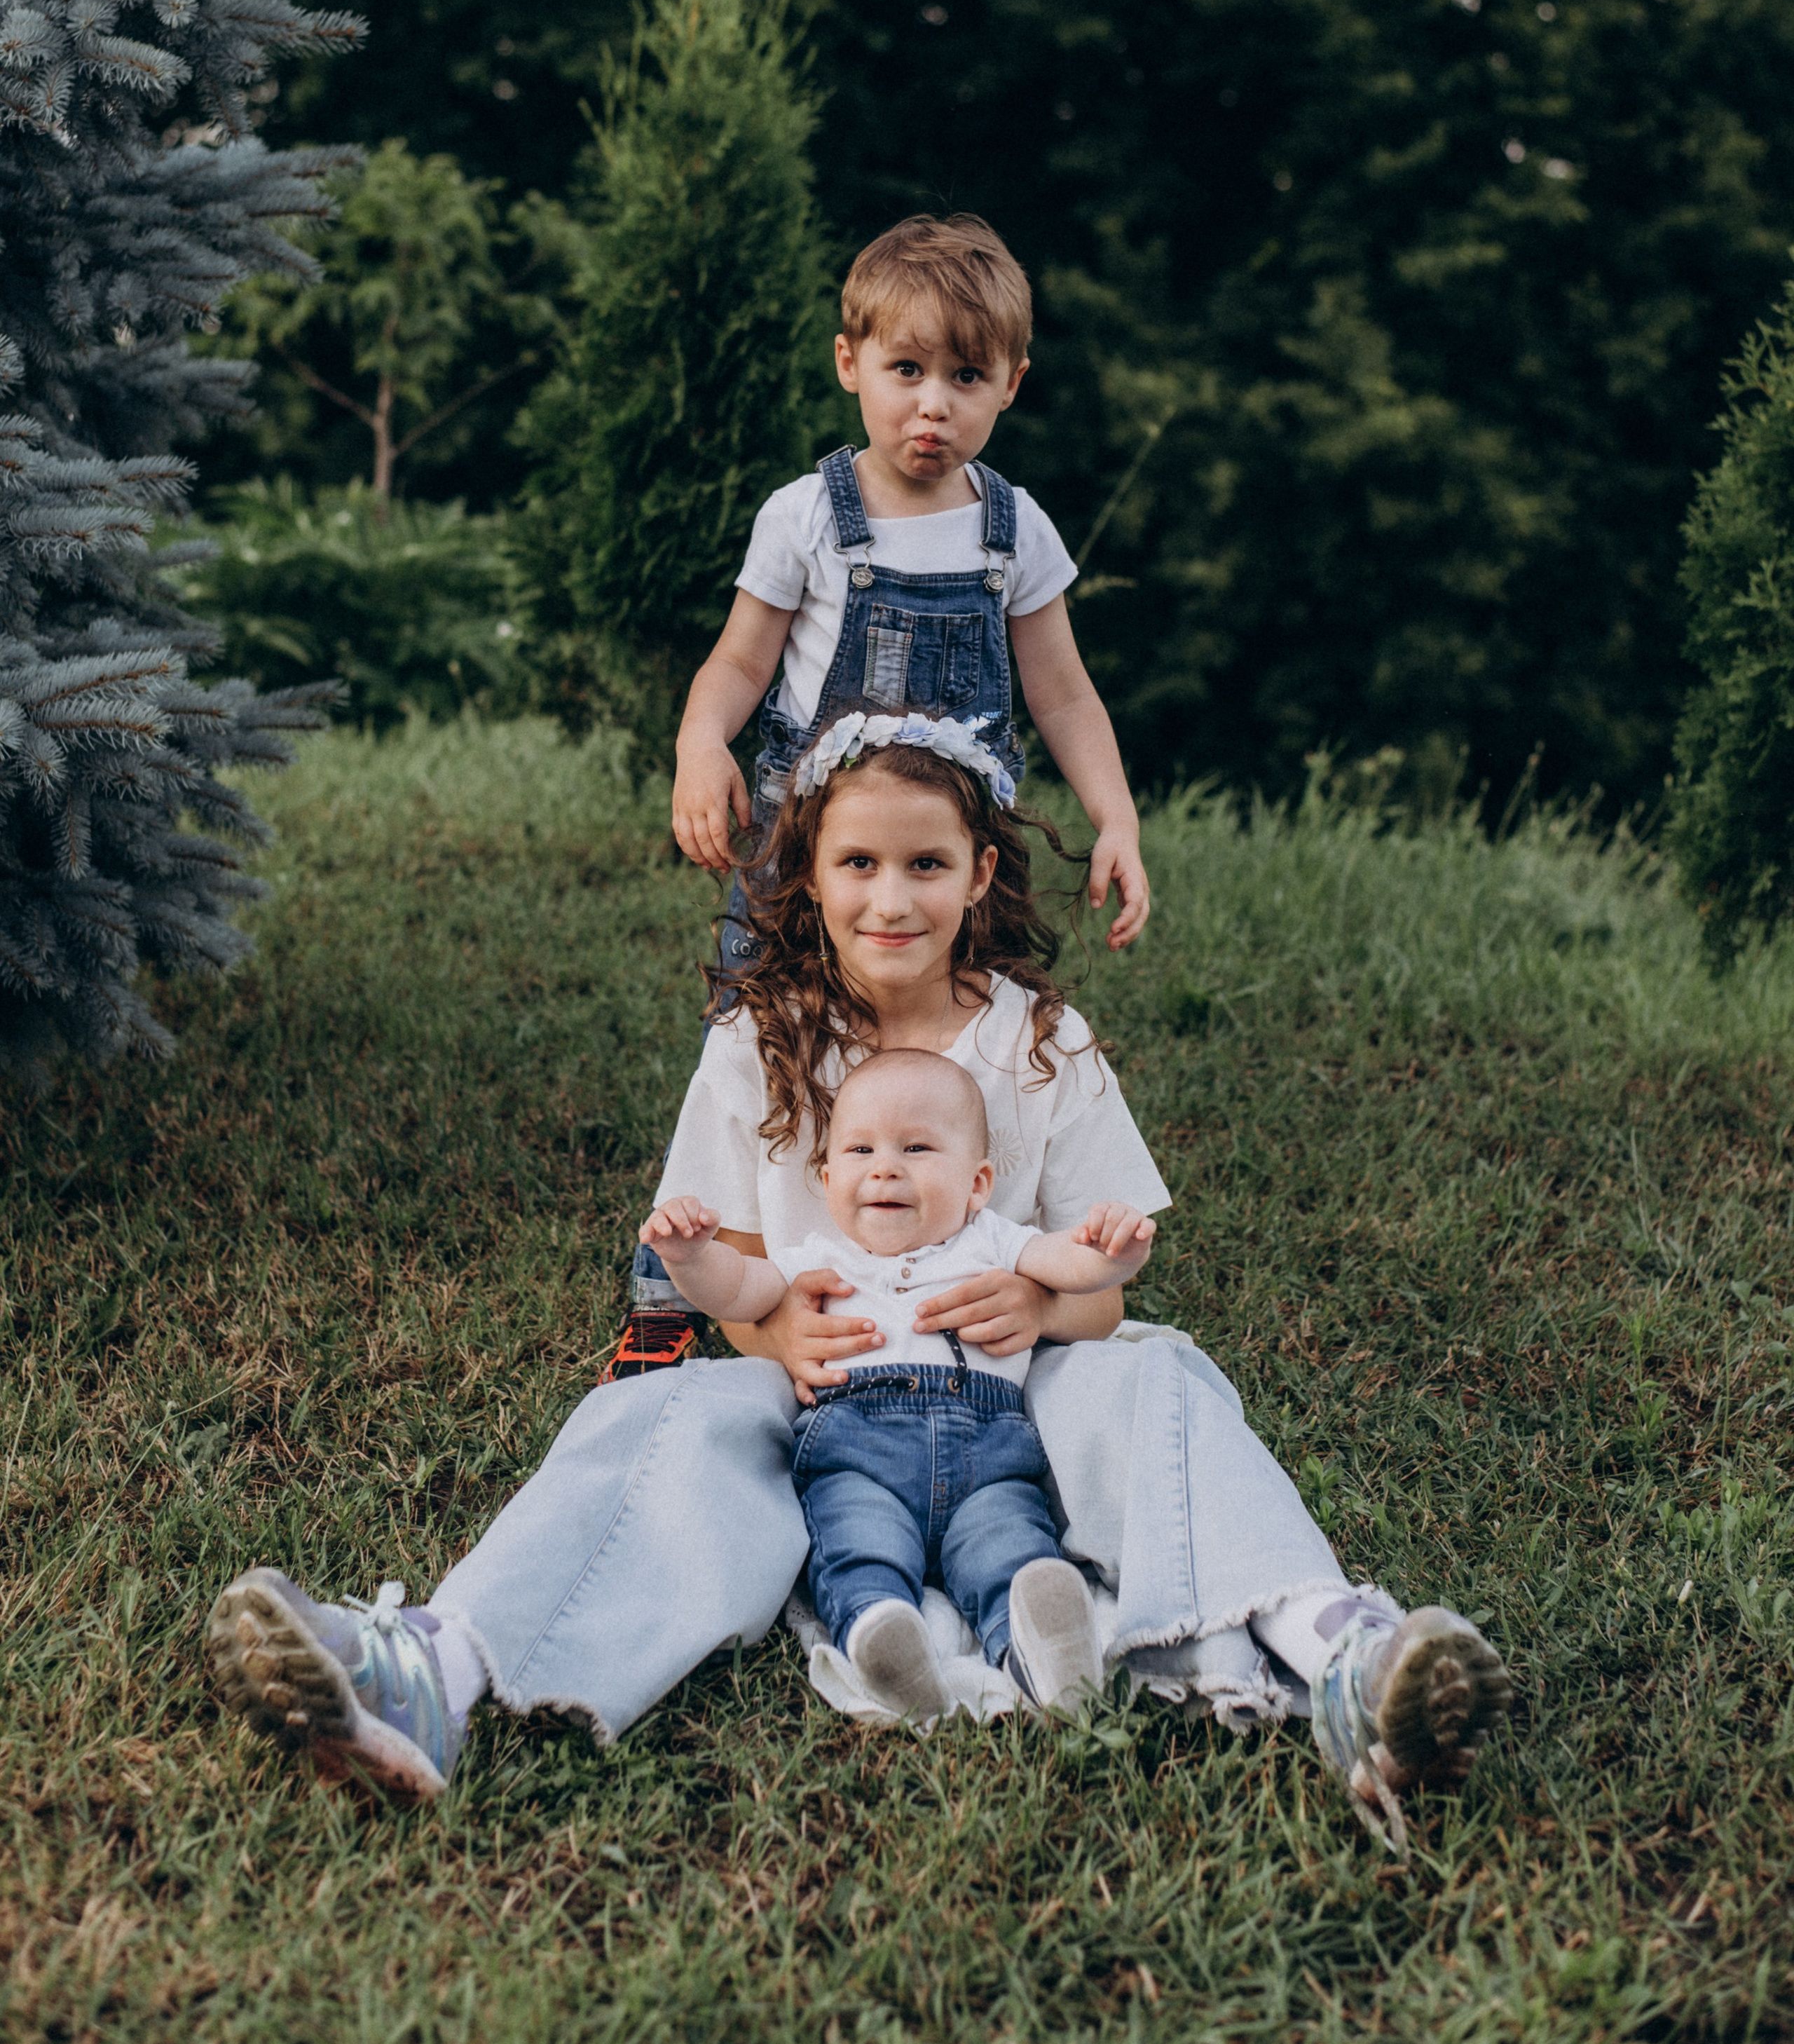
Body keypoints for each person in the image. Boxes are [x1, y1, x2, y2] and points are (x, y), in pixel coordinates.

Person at [207, 723, 1511, 1853]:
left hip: (1017, 1383)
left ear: (982, 872)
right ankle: (433, 1665)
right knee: (657, 1412)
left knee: (1159, 1365)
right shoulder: (755, 1037)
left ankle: (1333, 1647)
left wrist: (1051, 1308)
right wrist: (771, 1326)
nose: (893, 897)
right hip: (814, 1388)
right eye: (859, 864)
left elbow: (1104, 1282)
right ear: (810, 878)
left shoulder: (1042, 1041)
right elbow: (712, 1266)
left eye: (928, 863)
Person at [605, 210, 1149, 1378]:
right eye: (906, 371)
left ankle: (959, 1245)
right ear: (851, 364)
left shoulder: (1015, 532)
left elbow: (1062, 689)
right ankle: (672, 1293)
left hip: (949, 845)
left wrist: (1116, 816)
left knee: (959, 1028)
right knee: (757, 1040)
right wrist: (704, 741)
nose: (932, 405)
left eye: (967, 375)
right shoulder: (809, 517)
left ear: (1012, 382)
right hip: (813, 842)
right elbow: (742, 660)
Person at [642, 1045, 1157, 1720]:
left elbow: (1069, 1263)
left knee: (1010, 1543)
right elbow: (739, 1289)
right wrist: (690, 1258)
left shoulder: (992, 1240)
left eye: (916, 1148)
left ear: (976, 1185)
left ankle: (1042, 1646)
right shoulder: (818, 1258)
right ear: (826, 1180)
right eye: (860, 1152)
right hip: (859, 1458)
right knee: (859, 1542)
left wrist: (1115, 1252)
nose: (885, 1166)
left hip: (990, 1461)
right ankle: (884, 1637)